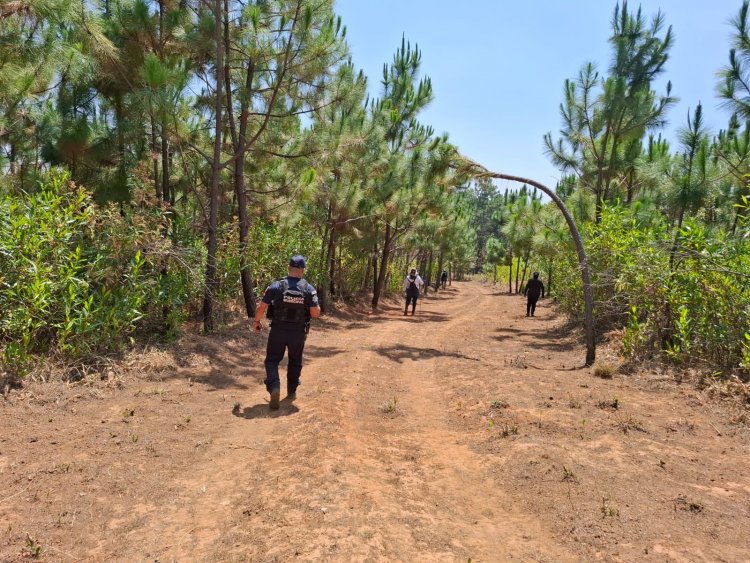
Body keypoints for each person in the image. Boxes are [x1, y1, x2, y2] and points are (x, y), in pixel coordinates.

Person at [253, 255, 321, 409]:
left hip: (277, 330)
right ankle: (291, 390)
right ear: (303, 270)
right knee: (295, 360)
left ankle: (274, 386)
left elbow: (261, 308)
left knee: (271, 360)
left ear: (288, 268)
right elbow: (315, 314)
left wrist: (257, 321)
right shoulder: (308, 289)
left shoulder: (276, 286)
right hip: (297, 332)